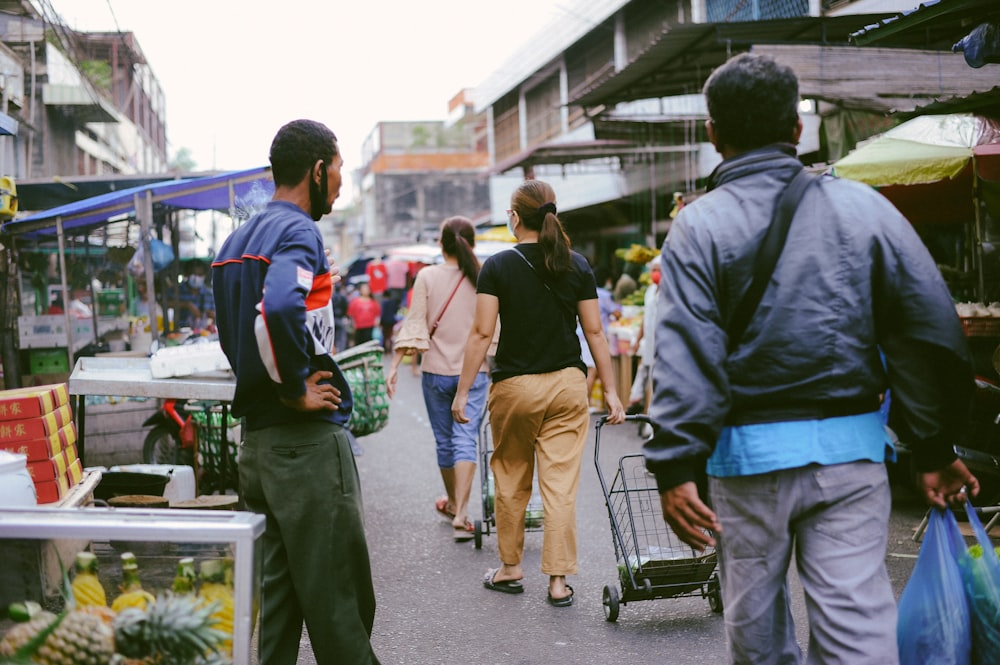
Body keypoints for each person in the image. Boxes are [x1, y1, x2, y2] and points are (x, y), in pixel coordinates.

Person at [643, 53, 979, 665]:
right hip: (852, 457)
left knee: (757, 633)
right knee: (857, 629)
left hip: (745, 465)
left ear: (713, 133)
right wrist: (933, 448)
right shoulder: (864, 208)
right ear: (798, 130)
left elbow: (684, 351)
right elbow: (927, 328)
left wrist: (675, 465)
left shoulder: (698, 228)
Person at [211, 119, 380, 665]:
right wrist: (292, 390)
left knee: (278, 609)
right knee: (341, 607)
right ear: (316, 169)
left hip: (257, 449)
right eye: (338, 171)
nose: (340, 185)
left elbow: (235, 332)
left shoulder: (235, 241)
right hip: (304, 447)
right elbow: (281, 305)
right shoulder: (299, 232)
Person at [452, 179, 626, 607]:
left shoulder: (497, 266)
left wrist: (461, 393)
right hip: (568, 385)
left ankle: (511, 568)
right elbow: (596, 333)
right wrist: (615, 393)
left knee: (511, 477)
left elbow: (480, 334)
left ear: (515, 217)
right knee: (561, 486)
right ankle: (558, 582)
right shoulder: (577, 265)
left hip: (515, 386)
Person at [386, 215, 494, 541]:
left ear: (440, 243)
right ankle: (460, 511)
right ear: (471, 244)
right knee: (465, 440)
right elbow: (494, 328)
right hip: (474, 375)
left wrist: (393, 366)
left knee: (445, 441)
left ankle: (454, 507)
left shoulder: (427, 276)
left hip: (434, 372)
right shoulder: (483, 276)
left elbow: (415, 323)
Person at [626, 263, 660, 417]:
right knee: (644, 370)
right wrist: (637, 341)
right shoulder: (650, 291)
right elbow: (646, 320)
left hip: (662, 347)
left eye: (659, 270)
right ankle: (635, 399)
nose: (655, 273)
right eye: (653, 270)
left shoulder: (671, 291)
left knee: (655, 384)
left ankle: (652, 424)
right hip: (650, 345)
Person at [174, 259, 215, 331]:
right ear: (186, 274)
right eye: (193, 274)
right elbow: (163, 304)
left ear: (204, 275)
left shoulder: (209, 294)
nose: (196, 278)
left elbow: (214, 314)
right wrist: (186, 305)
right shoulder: (176, 291)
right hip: (179, 333)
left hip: (203, 334)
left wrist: (211, 314)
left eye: (200, 275)